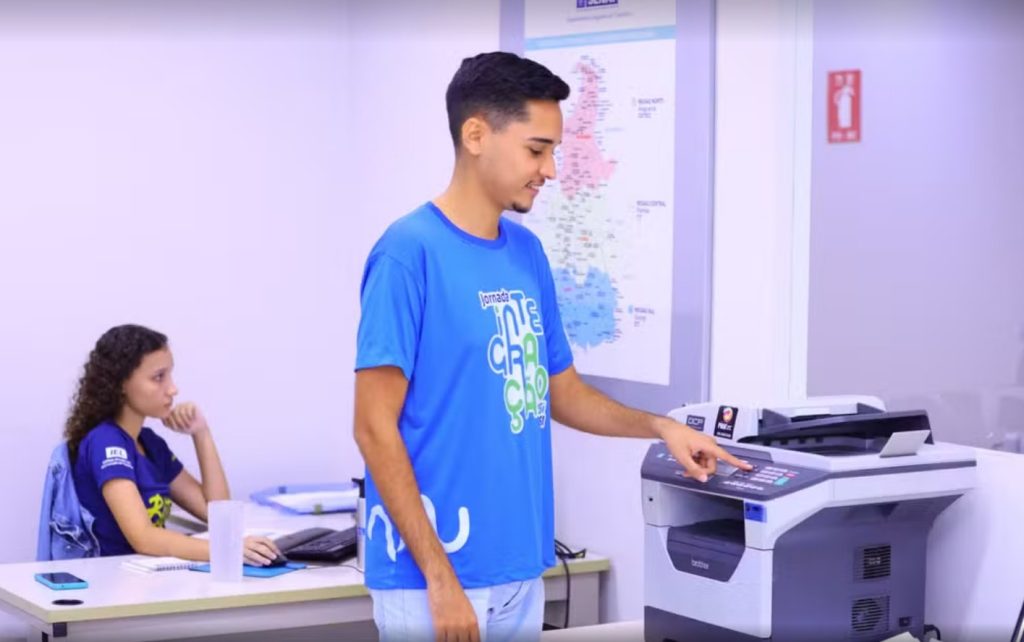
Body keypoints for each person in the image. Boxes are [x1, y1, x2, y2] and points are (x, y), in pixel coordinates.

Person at [353, 51, 750, 642]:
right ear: (476, 135)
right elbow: (372, 428)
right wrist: (439, 576)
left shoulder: (526, 254)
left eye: (554, 152)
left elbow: (561, 393)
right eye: (537, 150)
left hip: (519, 570)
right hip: (434, 580)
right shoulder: (407, 255)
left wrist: (661, 427)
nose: (552, 170)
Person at [64, 324, 280, 565]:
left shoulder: (150, 443)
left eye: (169, 375)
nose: (173, 389)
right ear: (121, 384)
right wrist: (227, 549)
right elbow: (143, 538)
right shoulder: (106, 442)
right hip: (112, 578)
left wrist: (201, 433)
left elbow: (219, 515)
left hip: (148, 576)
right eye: (158, 377)